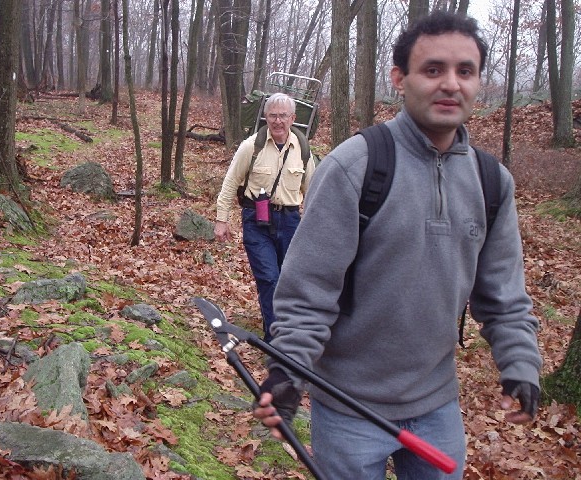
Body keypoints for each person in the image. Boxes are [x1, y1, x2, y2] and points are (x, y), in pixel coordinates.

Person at [253, 11, 542, 480]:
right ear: (399, 78)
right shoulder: (356, 166)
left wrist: (521, 365)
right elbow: (308, 289)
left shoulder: (492, 182)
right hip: (348, 407)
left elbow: (505, 297)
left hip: (437, 406)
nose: (451, 84)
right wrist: (288, 370)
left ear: (478, 83)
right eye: (433, 69)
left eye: (465, 71)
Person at [214, 92, 315, 342]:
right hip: (256, 222)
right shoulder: (251, 147)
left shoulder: (302, 149)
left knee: (288, 282)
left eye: (283, 116)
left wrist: (317, 227)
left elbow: (313, 191)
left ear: (293, 118)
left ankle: (289, 333)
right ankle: (275, 342)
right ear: (265, 117)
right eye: (273, 115)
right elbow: (231, 182)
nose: (278, 121)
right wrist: (221, 219)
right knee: (269, 279)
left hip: (290, 222)